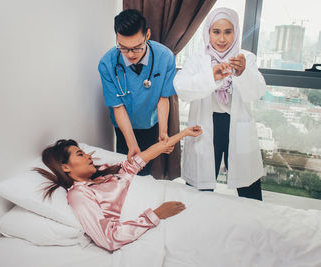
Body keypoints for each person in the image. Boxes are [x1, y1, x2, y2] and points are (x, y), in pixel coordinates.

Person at [34, 126, 202, 251]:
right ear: (65, 168)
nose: (89, 156)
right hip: (158, 215)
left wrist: (184, 133)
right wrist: (156, 214)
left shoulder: (106, 173)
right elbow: (108, 238)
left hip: (167, 198)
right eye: (80, 154)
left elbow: (145, 156)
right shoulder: (78, 194)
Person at [173, 7, 266, 200]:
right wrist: (210, 76)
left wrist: (242, 73)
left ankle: (255, 223)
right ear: (208, 33)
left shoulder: (245, 58)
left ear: (236, 32)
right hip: (206, 126)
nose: (222, 39)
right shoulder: (197, 59)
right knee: (200, 189)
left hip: (236, 125)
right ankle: (199, 222)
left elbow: (257, 92)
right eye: (216, 32)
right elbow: (181, 87)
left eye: (227, 32)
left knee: (249, 188)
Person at [98, 9, 177, 175]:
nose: (130, 54)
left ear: (147, 35)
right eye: (123, 48)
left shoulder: (165, 57)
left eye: (136, 48)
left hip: (150, 123)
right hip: (123, 126)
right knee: (126, 170)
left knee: (145, 170)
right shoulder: (107, 63)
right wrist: (131, 143)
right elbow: (117, 106)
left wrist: (163, 131)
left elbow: (163, 98)